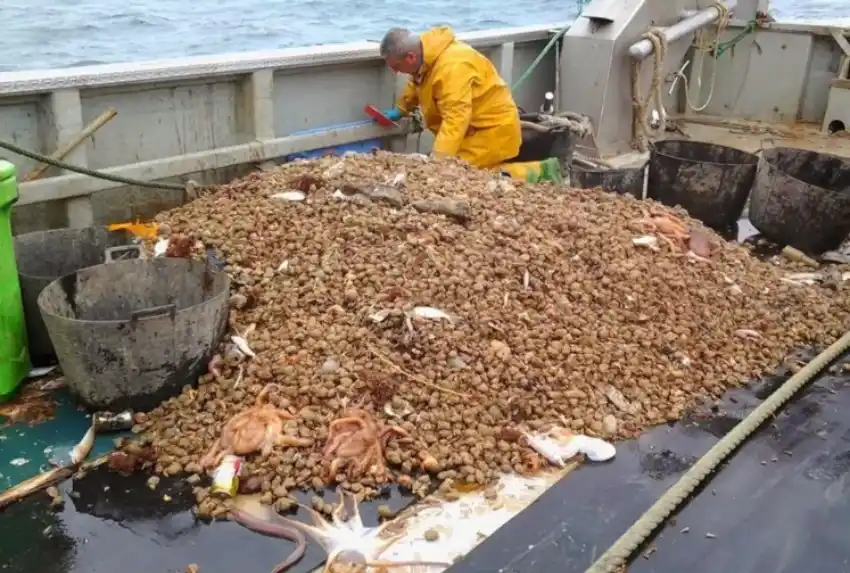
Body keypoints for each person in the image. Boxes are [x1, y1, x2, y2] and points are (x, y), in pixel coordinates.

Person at [378, 26, 562, 183]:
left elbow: (456, 118)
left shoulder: (452, 68)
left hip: (492, 132)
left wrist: (439, 159)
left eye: (395, 66)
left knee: (459, 174)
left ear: (410, 57)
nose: (394, 72)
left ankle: (544, 170)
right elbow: (417, 81)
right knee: (452, 169)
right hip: (471, 133)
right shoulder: (425, 56)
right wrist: (401, 109)